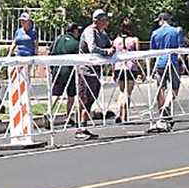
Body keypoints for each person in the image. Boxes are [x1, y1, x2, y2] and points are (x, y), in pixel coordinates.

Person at [75, 9, 115, 139]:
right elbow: (92, 48)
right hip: (85, 70)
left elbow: (110, 44)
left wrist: (112, 49)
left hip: (96, 71)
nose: (107, 22)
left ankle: (84, 126)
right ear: (96, 20)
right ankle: (80, 128)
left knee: (92, 98)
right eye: (104, 20)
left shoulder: (102, 33)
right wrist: (105, 52)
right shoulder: (89, 31)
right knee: (84, 98)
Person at [149, 11, 186, 133]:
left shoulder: (155, 33)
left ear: (161, 20)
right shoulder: (176, 31)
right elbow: (180, 48)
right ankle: (167, 106)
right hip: (172, 61)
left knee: (161, 88)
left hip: (160, 63)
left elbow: (152, 51)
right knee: (175, 86)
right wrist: (183, 63)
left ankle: (162, 116)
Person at [47, 21, 83, 129]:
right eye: (78, 30)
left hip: (56, 69)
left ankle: (49, 112)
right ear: (74, 30)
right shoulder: (75, 43)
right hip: (69, 71)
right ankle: (68, 116)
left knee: (56, 93)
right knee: (71, 95)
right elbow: (79, 56)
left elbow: (51, 51)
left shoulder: (58, 39)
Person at [111, 19, 141, 124]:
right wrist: (141, 70)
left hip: (118, 67)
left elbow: (113, 56)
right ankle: (125, 115)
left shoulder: (116, 40)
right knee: (128, 92)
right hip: (130, 67)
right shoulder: (134, 40)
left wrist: (112, 70)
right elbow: (137, 56)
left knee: (121, 91)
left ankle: (119, 112)